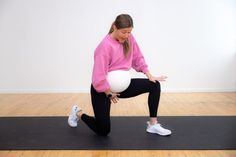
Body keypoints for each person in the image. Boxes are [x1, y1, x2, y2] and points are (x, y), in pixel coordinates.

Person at [68, 14, 171, 136]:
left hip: (123, 87)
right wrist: (107, 92)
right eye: (124, 32)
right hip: (103, 90)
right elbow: (98, 74)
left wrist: (149, 74)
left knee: (154, 85)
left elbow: (138, 57)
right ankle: (77, 112)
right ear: (115, 27)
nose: (127, 35)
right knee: (103, 131)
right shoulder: (104, 46)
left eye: (129, 32)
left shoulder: (129, 38)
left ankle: (153, 125)